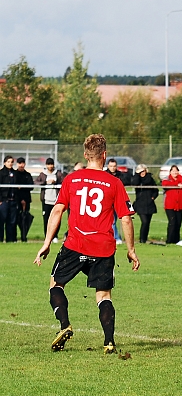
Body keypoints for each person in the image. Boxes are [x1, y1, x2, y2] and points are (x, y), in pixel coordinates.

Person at [33, 133, 140, 354]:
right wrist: (131, 250)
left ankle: (64, 325)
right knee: (103, 295)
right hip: (103, 248)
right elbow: (126, 218)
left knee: (56, 284)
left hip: (75, 244)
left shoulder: (72, 179)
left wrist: (46, 242)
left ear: (85, 154)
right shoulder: (114, 182)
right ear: (104, 154)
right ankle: (109, 341)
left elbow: (57, 210)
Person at [34, 158, 63, 242]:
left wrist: (56, 182)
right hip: (46, 200)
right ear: (46, 165)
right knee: (46, 219)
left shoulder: (58, 174)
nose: (50, 166)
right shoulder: (43, 174)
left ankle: (55, 236)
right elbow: (36, 182)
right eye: (48, 164)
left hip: (56, 201)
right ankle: (47, 237)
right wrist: (45, 182)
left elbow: (64, 182)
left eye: (51, 164)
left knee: (56, 219)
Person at [162, 165, 182, 244]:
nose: (175, 172)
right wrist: (177, 184)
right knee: (172, 223)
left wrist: (179, 177)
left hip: (180, 206)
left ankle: (176, 240)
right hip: (170, 206)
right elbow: (165, 184)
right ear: (170, 172)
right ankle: (169, 240)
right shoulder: (167, 179)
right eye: (173, 171)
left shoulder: (180, 179)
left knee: (178, 223)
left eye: (176, 171)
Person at [131, 164, 158, 243]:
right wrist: (137, 175)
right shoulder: (137, 178)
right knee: (144, 222)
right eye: (140, 171)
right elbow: (134, 183)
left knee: (147, 223)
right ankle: (142, 240)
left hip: (149, 203)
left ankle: (144, 239)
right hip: (140, 204)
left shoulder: (150, 179)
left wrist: (152, 197)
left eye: (143, 171)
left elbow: (155, 190)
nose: (142, 173)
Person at [106, 159, 126, 243]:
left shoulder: (120, 175)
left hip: (118, 200)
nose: (112, 168)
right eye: (111, 166)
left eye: (114, 166)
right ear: (108, 166)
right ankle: (116, 237)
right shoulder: (105, 175)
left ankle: (116, 236)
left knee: (121, 219)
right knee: (112, 220)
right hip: (109, 201)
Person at [15, 157, 34, 242]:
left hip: (26, 200)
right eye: (20, 163)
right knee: (16, 219)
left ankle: (24, 236)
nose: (21, 165)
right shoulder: (14, 174)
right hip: (16, 200)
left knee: (25, 219)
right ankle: (14, 237)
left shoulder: (27, 175)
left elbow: (31, 186)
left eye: (23, 163)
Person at [0, 155, 18, 242]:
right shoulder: (1, 173)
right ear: (4, 163)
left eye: (11, 162)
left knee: (12, 222)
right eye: (8, 162)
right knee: (1, 220)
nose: (10, 164)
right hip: (4, 201)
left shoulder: (14, 173)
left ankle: (10, 240)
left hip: (13, 201)